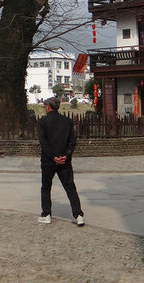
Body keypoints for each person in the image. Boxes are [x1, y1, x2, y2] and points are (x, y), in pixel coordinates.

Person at [37, 97, 84, 226]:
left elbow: (43, 142)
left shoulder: (43, 122)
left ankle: (46, 214)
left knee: (46, 187)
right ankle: (78, 214)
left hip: (48, 160)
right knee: (70, 187)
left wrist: (53, 157)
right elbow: (72, 141)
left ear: (48, 107)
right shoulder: (67, 122)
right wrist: (66, 155)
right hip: (64, 161)